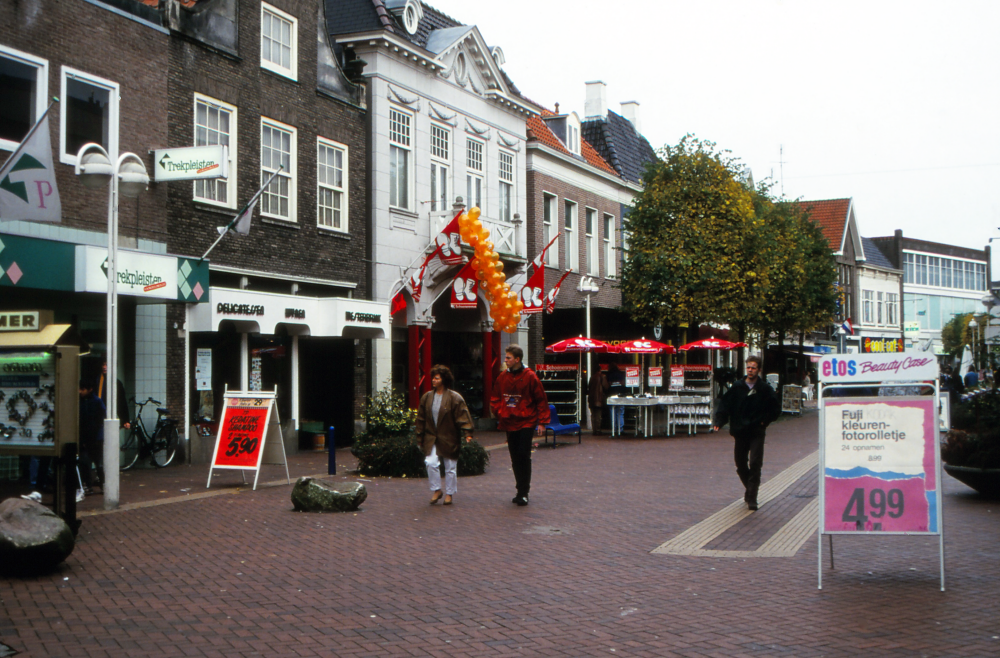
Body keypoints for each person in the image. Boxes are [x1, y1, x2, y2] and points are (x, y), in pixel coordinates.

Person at [713, 355, 780, 511]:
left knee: (755, 463)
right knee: (740, 464)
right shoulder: (737, 387)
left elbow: (775, 408)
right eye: (748, 367)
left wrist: (765, 421)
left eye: (753, 368)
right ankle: (750, 489)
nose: (750, 370)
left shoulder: (764, 389)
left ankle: (752, 498)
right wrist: (719, 421)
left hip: (756, 431)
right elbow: (725, 404)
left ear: (759, 370)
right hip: (740, 431)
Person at [490, 345, 550, 506]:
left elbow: (541, 399)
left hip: (526, 421)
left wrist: (542, 422)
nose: (505, 360)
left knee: (523, 454)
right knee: (515, 457)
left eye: (508, 358)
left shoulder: (530, 376)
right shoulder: (503, 377)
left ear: (517, 359)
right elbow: (495, 397)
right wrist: (499, 412)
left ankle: (524, 492)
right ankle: (520, 490)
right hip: (509, 422)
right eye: (505, 357)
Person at [414, 365, 474, 506]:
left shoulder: (454, 397)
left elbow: (462, 415)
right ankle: (436, 489)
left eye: (436, 378)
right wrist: (419, 437)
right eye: (433, 378)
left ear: (444, 379)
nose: (433, 380)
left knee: (450, 466)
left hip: (449, 436)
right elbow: (421, 419)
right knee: (430, 462)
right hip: (431, 436)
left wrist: (467, 432)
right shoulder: (427, 397)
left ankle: (449, 493)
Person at [78, 379, 106, 496]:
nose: (80, 391)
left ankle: (102, 484)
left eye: (82, 389)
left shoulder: (97, 402)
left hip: (95, 437)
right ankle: (88, 485)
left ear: (90, 389)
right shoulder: (81, 402)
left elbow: (100, 419)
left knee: (97, 461)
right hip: (86, 437)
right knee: (85, 462)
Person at [98, 361, 131, 430]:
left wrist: (125, 420)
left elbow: (121, 403)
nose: (104, 367)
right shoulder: (97, 382)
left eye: (107, 365)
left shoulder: (116, 383)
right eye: (103, 364)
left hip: (109, 416)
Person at [588, 365, 609, 435]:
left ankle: (594, 429)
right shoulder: (602, 376)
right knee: (598, 415)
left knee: (593, 415)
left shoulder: (592, 377)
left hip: (592, 399)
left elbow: (589, 387)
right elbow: (606, 387)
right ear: (600, 369)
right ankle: (597, 430)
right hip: (598, 399)